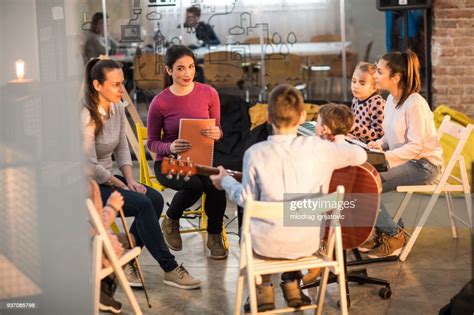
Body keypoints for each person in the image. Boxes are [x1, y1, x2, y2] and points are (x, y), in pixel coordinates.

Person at [210, 86, 367, 311]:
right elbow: (360, 154)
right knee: (291, 216)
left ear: (268, 117)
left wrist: (225, 181)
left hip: (266, 246)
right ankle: (292, 282)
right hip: (307, 244)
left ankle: (264, 286)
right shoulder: (320, 148)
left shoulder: (255, 153)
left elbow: (245, 198)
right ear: (303, 116)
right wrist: (337, 137)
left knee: (254, 217)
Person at [81, 57, 201, 290]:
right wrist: (120, 184)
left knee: (154, 199)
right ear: (97, 85)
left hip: (108, 180)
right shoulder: (86, 116)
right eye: (115, 84)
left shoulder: (115, 108)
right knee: (144, 204)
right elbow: (89, 165)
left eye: (122, 83)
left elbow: (122, 147)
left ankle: (126, 259)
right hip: (88, 186)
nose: (121, 90)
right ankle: (169, 268)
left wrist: (131, 180)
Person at [359, 50, 443, 258]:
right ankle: (383, 232)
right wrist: (376, 145)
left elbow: (416, 147)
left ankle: (394, 234)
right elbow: (389, 138)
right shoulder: (390, 100)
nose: (375, 75)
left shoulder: (415, 104)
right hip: (405, 160)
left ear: (395, 77)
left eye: (379, 72)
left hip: (423, 166)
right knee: (360, 181)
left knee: (366, 186)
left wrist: (384, 158)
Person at [147, 45, 228, 259]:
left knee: (216, 183)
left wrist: (216, 133)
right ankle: (172, 219)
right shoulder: (160, 102)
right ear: (169, 71)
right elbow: (152, 143)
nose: (187, 73)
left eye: (191, 67)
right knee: (194, 184)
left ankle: (214, 235)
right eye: (180, 68)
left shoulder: (209, 93)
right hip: (168, 163)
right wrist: (170, 147)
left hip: (200, 160)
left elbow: (218, 128)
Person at [89, 180, 126, 314]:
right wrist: (112, 207)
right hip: (80, 253)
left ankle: (104, 293)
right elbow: (95, 230)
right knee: (128, 240)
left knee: (152, 201)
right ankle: (104, 293)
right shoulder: (86, 185)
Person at [349, 61, 385, 143]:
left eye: (362, 83)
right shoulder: (355, 99)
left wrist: (354, 129)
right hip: (356, 142)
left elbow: (378, 133)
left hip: (371, 147)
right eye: (354, 81)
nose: (355, 86)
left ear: (374, 87)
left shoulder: (377, 103)